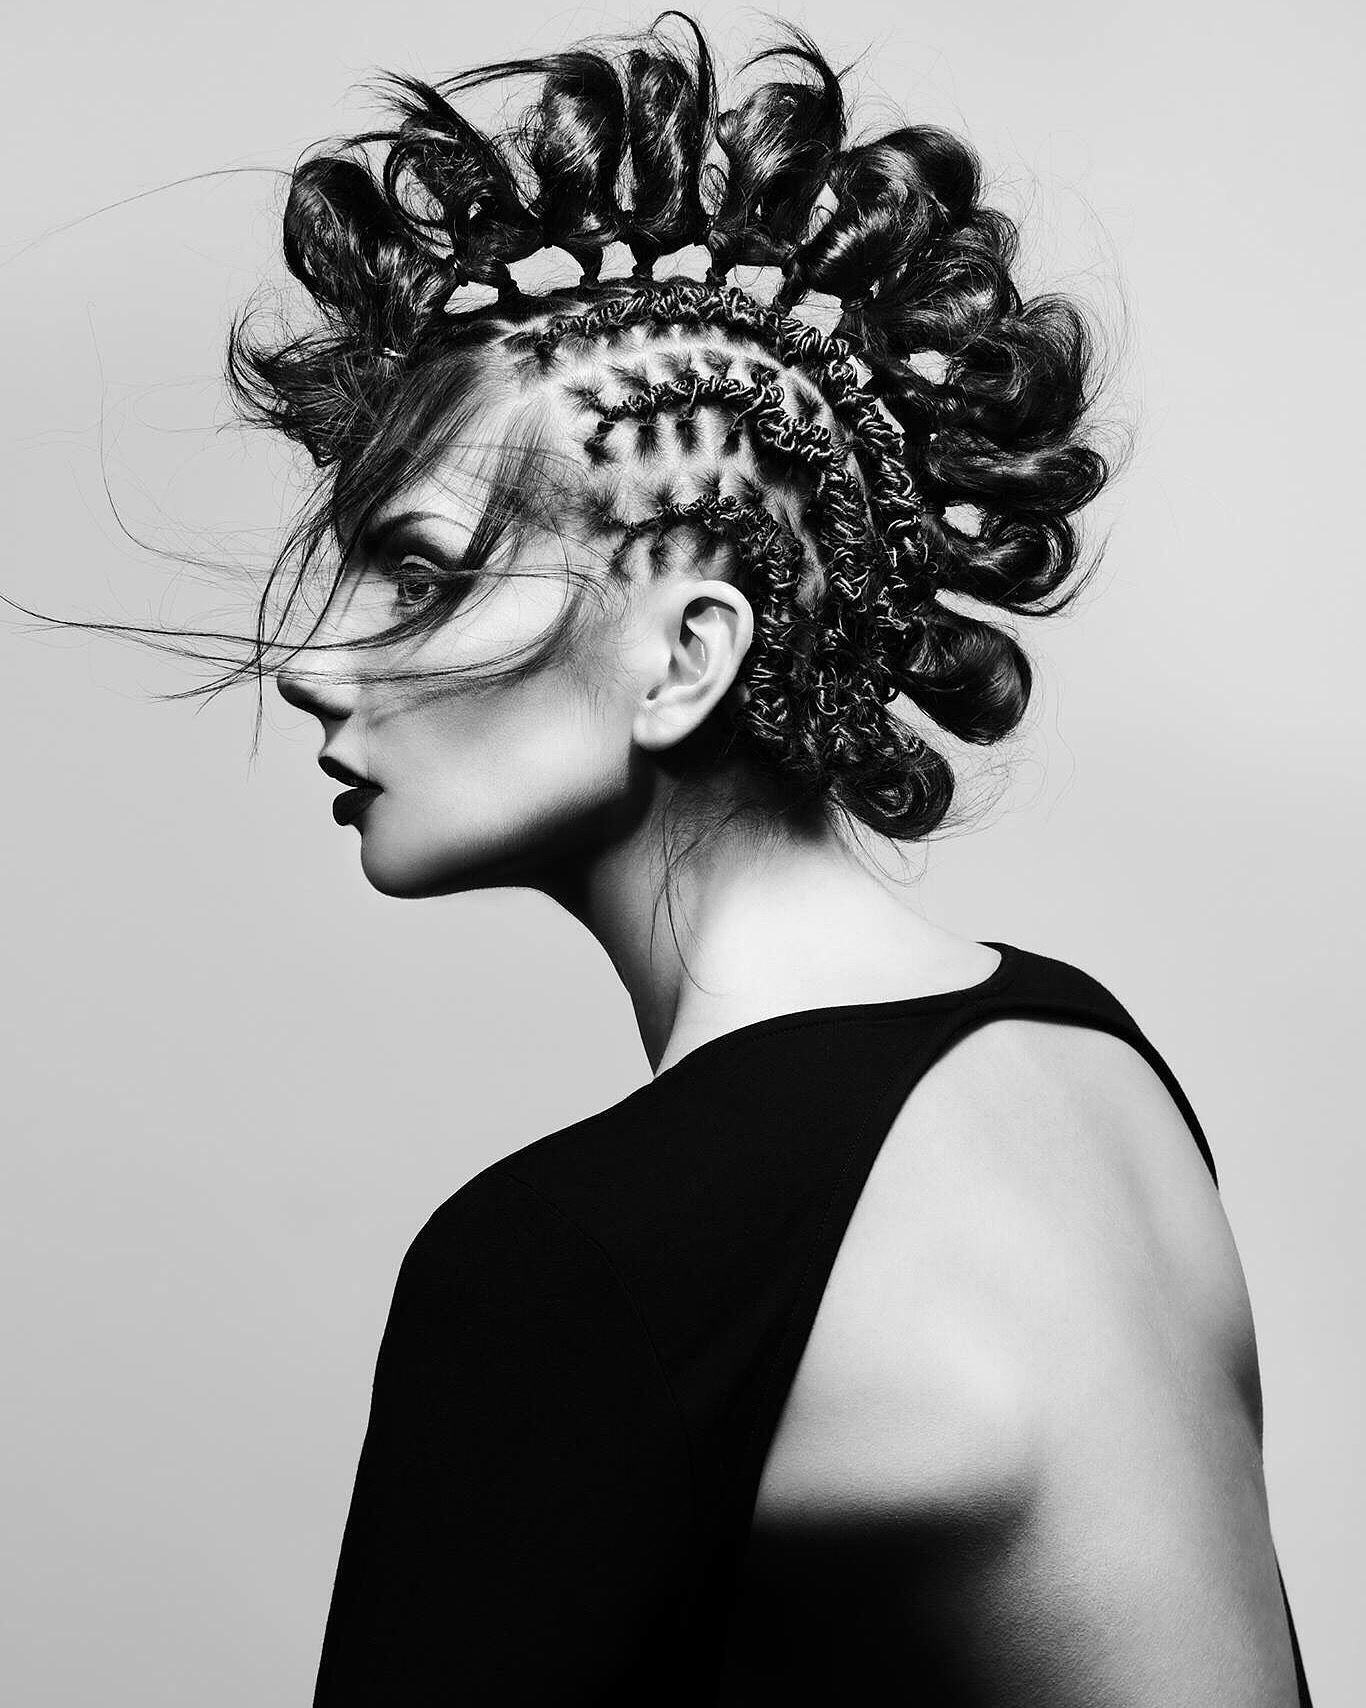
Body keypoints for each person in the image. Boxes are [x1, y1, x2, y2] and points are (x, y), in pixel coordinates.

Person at [231, 14, 1313, 1703]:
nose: (314, 663)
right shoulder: (1086, 1065)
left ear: (686, 655)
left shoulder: (584, 1262)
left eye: (426, 573)